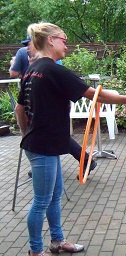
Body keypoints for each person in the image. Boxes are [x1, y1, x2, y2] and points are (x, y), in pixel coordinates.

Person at [15, 22, 126, 256]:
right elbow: (94, 94)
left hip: (44, 143)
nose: (67, 44)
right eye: (63, 39)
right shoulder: (53, 69)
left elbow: (19, 109)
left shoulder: (32, 69)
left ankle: (57, 241)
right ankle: (35, 252)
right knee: (42, 201)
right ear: (51, 41)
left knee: (54, 196)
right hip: (43, 145)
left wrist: (27, 136)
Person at [9, 35, 97, 179]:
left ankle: (81, 160)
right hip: (43, 133)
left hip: (40, 135)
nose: (28, 48)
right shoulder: (47, 65)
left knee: (52, 133)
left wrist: (26, 134)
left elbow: (13, 74)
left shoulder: (32, 60)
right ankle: (83, 160)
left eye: (29, 44)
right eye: (63, 42)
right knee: (55, 133)